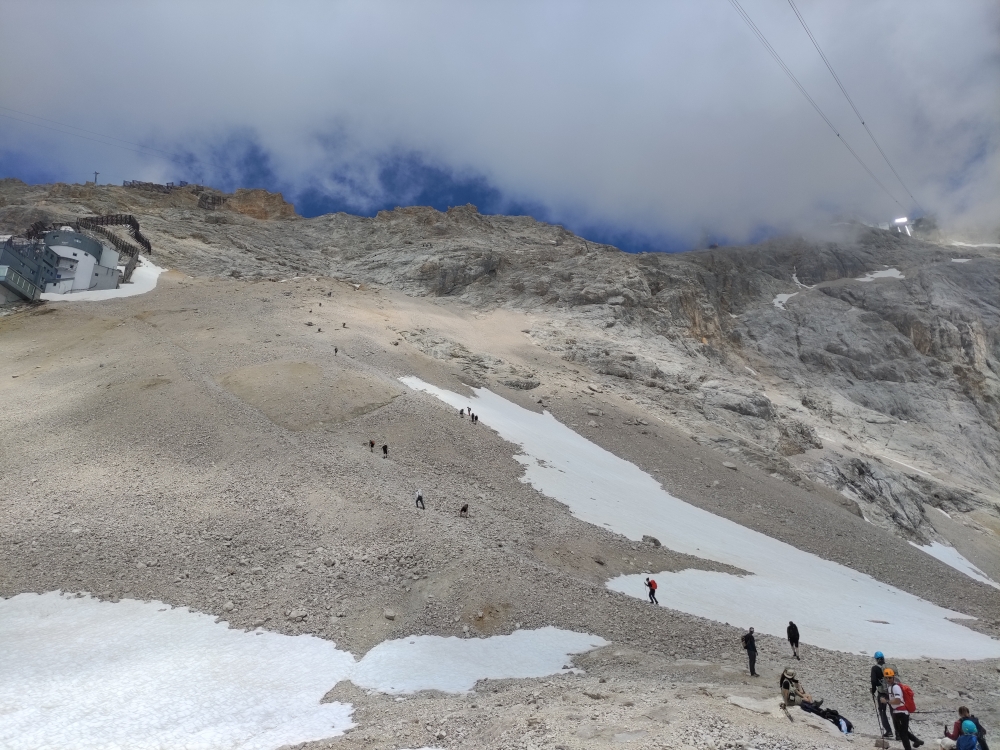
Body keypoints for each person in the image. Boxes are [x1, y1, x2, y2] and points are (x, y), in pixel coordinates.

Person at [887, 669, 923, 749]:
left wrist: (886, 701)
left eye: (889, 678)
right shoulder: (890, 687)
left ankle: (911, 746)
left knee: (903, 733)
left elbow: (897, 700)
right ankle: (916, 740)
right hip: (897, 712)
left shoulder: (895, 687)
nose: (888, 679)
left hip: (902, 713)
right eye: (887, 678)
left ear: (893, 677)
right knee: (902, 731)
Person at [871, 651, 895, 738]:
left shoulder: (875, 668)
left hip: (882, 693)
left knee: (882, 711)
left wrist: (873, 690)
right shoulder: (888, 667)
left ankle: (888, 731)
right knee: (893, 712)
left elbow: (873, 681)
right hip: (891, 692)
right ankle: (899, 733)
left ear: (876, 659)